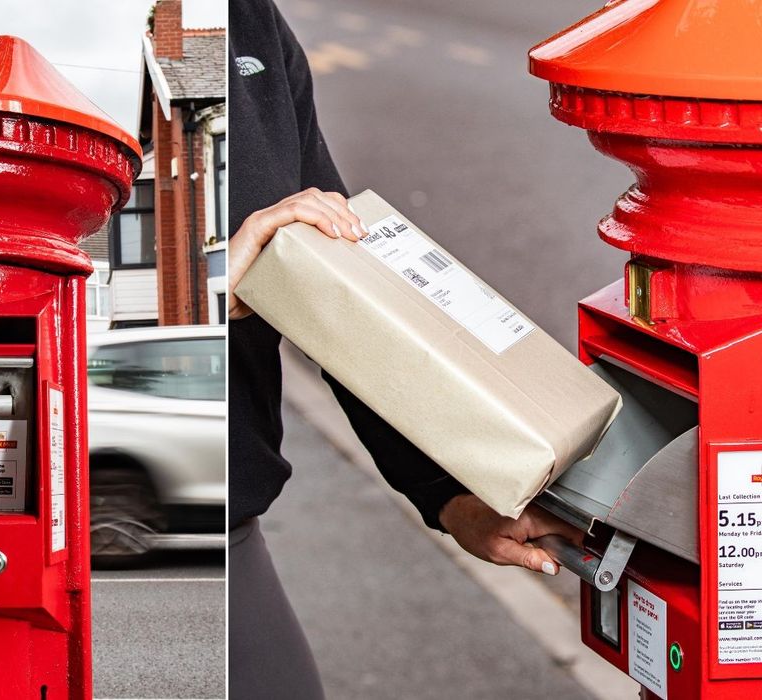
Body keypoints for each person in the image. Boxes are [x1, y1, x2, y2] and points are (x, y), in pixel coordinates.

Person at [227, 1, 584, 697]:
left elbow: (340, 293)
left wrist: (448, 493)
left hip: (221, 518)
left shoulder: (247, 22)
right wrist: (208, 287)